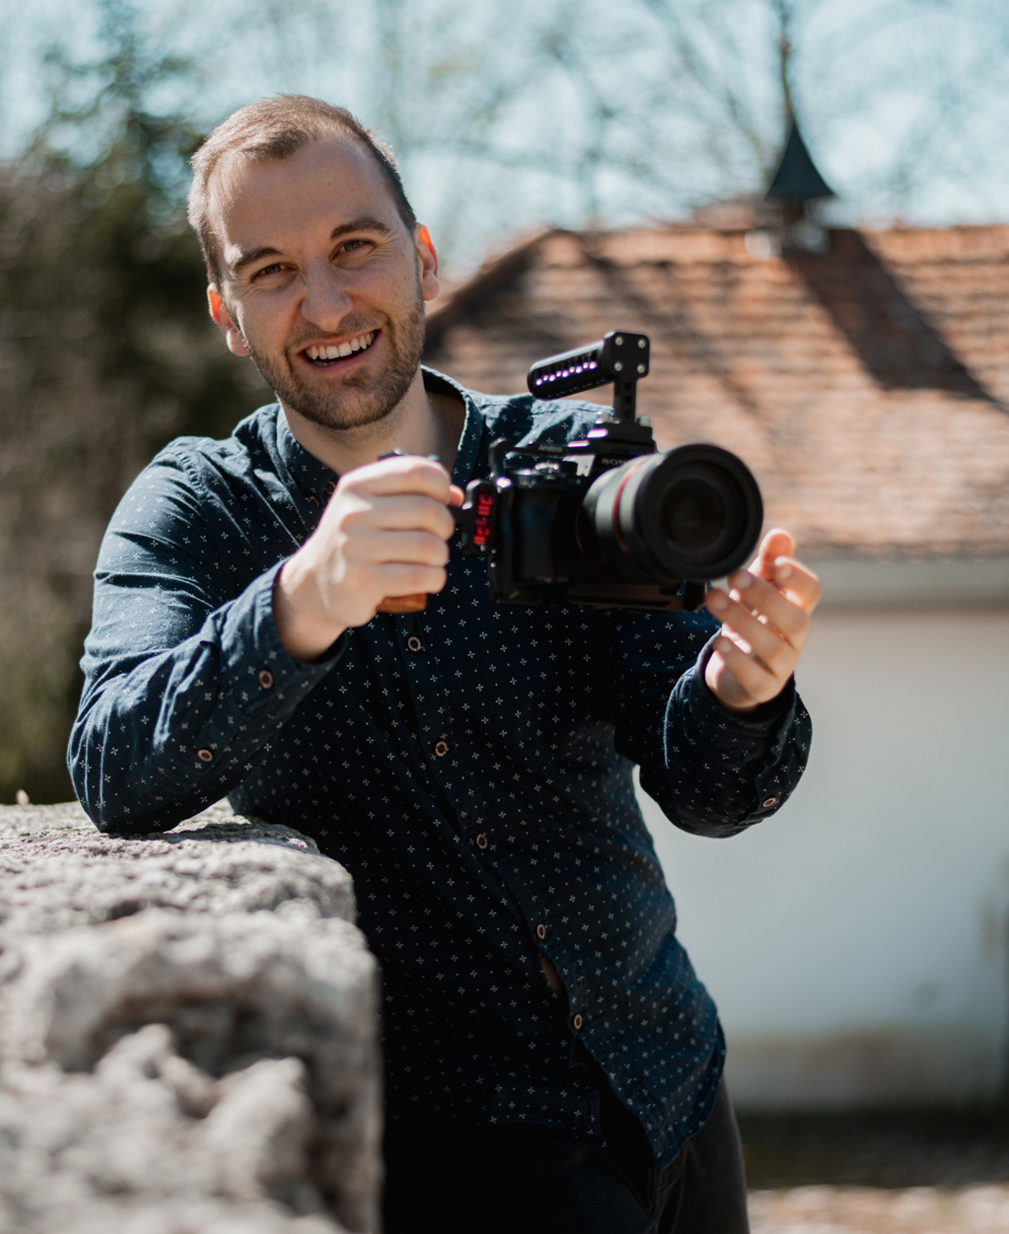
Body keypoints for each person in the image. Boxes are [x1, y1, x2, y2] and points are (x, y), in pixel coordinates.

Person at [68, 95, 819, 1232]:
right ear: (228, 314)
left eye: (354, 248)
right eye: (271, 272)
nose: (326, 304)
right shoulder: (200, 510)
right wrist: (301, 601)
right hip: (465, 1148)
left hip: (671, 1076)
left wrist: (738, 689)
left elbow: (710, 793)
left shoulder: (574, 464)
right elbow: (112, 767)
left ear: (422, 259)